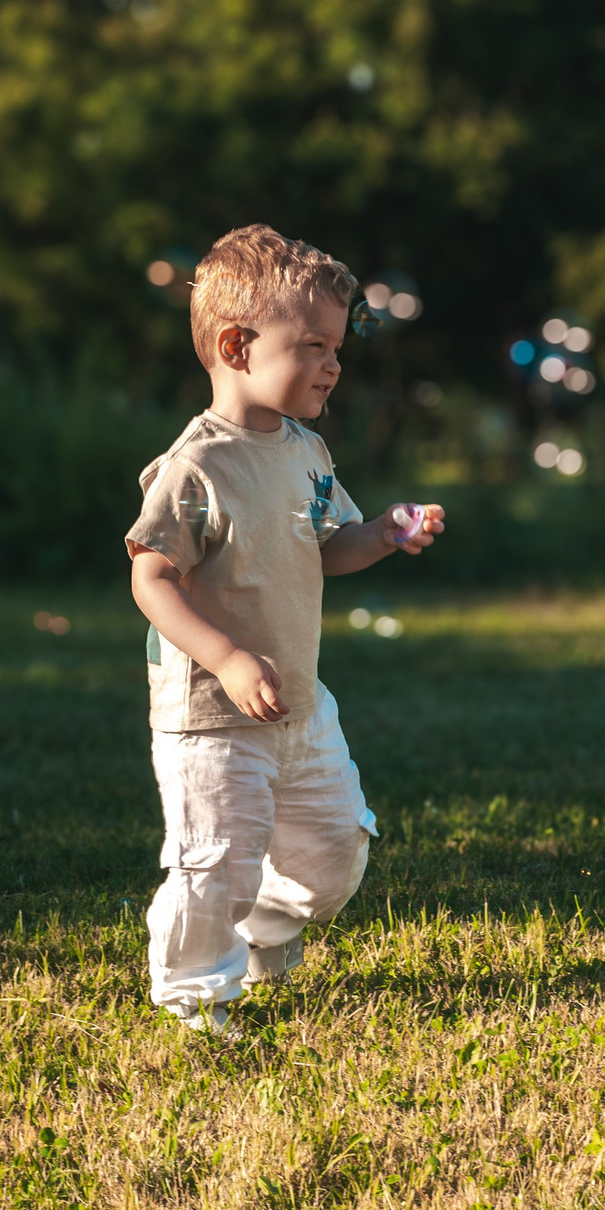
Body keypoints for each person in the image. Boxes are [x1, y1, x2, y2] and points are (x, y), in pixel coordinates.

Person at [125, 224, 445, 1034]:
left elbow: (328, 545)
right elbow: (151, 576)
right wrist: (228, 658)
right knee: (214, 865)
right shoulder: (198, 465)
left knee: (335, 853)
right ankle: (198, 994)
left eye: (338, 346)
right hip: (212, 716)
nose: (335, 364)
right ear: (236, 345)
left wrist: (385, 532)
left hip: (300, 702)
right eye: (313, 345)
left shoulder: (307, 450)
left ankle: (268, 925)